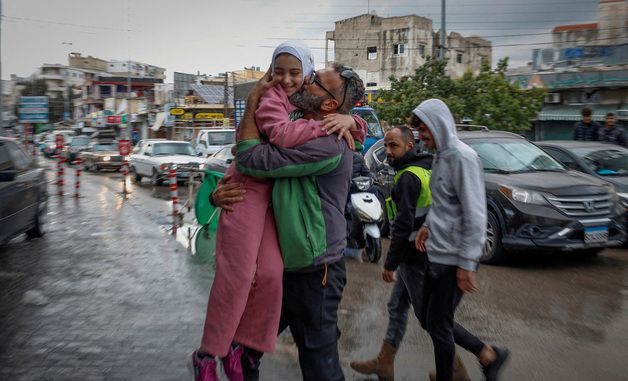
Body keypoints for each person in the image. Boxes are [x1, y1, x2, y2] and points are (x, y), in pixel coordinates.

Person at [192, 42, 366, 381]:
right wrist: (218, 196)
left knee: (319, 364)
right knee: (248, 346)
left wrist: (254, 100)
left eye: (313, 79)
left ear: (329, 103)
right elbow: (245, 160)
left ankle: (219, 354)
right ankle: (216, 356)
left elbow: (251, 158)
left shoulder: (330, 141)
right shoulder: (299, 113)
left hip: (318, 271)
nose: (304, 82)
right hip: (289, 263)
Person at [349, 127, 468, 381]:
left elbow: (403, 224)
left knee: (430, 319)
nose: (389, 152)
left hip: (415, 256)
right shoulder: (427, 168)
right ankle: (385, 360)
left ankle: (472, 358)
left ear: (410, 145)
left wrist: (390, 263)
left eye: (394, 146)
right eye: (387, 146)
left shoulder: (408, 178)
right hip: (420, 252)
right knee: (397, 305)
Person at [413, 99, 509, 381]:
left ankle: (451, 375)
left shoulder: (463, 158)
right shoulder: (440, 155)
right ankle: (489, 355)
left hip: (455, 257)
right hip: (438, 251)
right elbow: (444, 203)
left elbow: (476, 213)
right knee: (431, 320)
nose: (421, 136)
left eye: (424, 129)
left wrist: (467, 263)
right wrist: (428, 226)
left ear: (438, 125)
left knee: (438, 324)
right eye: (419, 130)